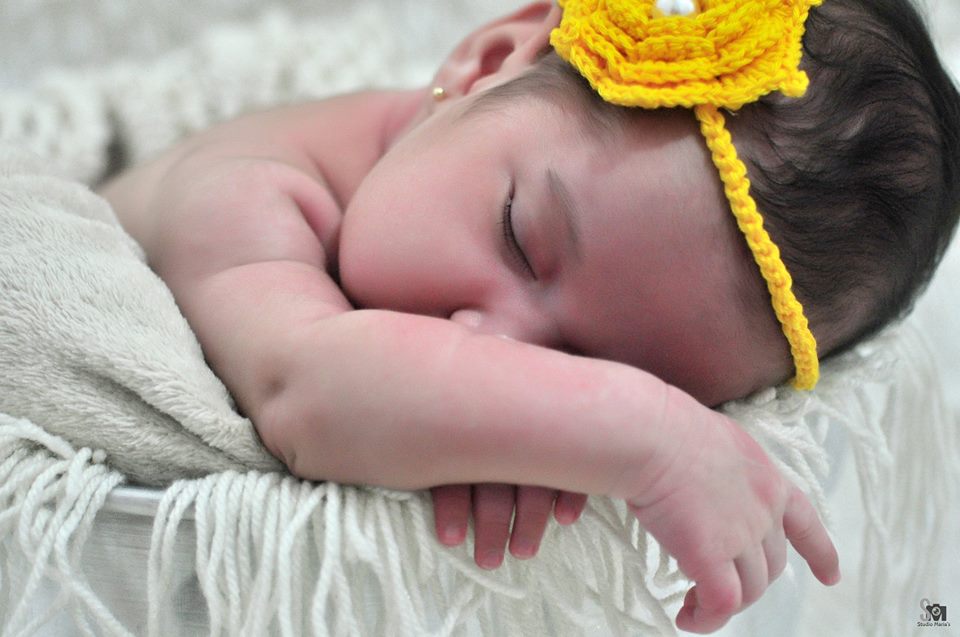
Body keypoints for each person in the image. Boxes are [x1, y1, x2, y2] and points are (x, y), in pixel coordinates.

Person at [97, 0, 960, 632]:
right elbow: (304, 387)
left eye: (587, 364)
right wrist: (649, 432)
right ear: (487, 62)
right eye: (518, 237)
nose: (494, 346)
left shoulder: (465, 167)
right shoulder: (247, 191)